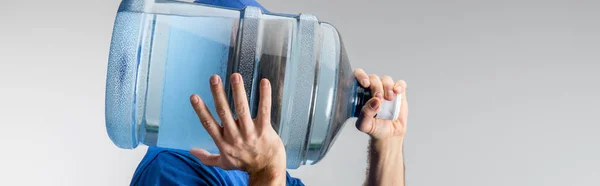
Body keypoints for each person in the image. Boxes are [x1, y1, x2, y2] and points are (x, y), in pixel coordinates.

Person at [129, 1, 409, 186]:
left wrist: (389, 146)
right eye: (264, 63)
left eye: (282, 59)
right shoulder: (170, 170)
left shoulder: (265, 167)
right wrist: (266, 173)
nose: (282, 78)